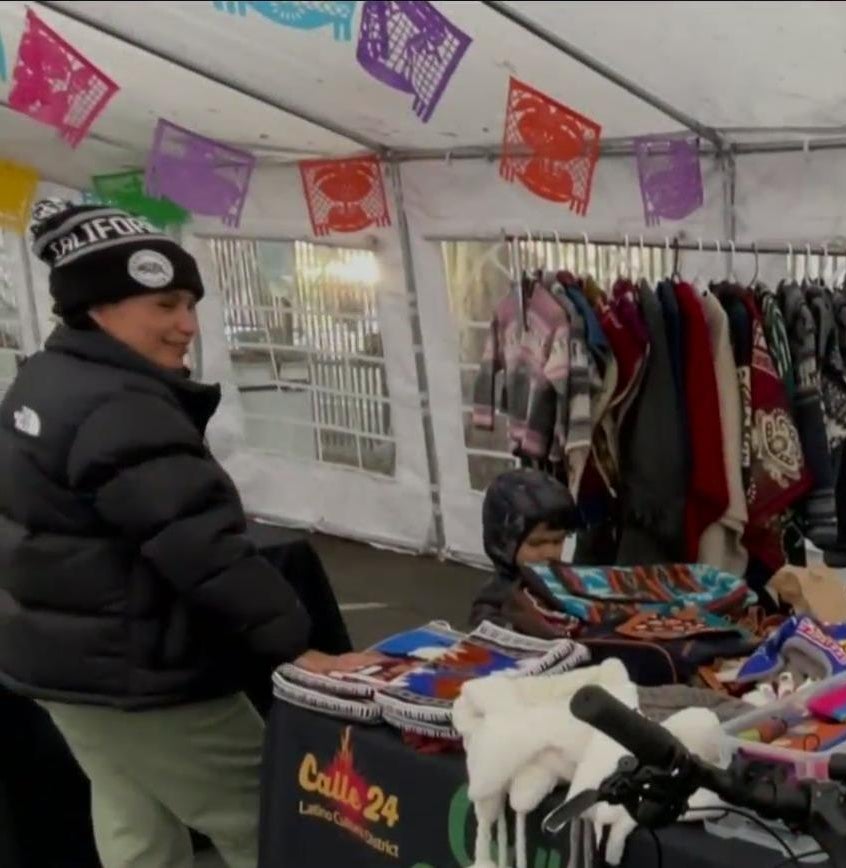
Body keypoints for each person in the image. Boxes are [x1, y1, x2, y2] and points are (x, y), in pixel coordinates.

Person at [0, 200, 379, 868]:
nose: (187, 327)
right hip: (143, 673)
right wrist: (297, 645)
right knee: (271, 817)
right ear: (99, 307)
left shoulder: (44, 379)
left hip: (65, 670)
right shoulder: (119, 404)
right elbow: (198, 545)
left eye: (190, 305)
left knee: (134, 825)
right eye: (166, 306)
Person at [467, 467, 582, 636]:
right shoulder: (494, 601)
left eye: (557, 541)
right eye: (536, 543)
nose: (549, 552)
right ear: (503, 543)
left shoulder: (567, 580)